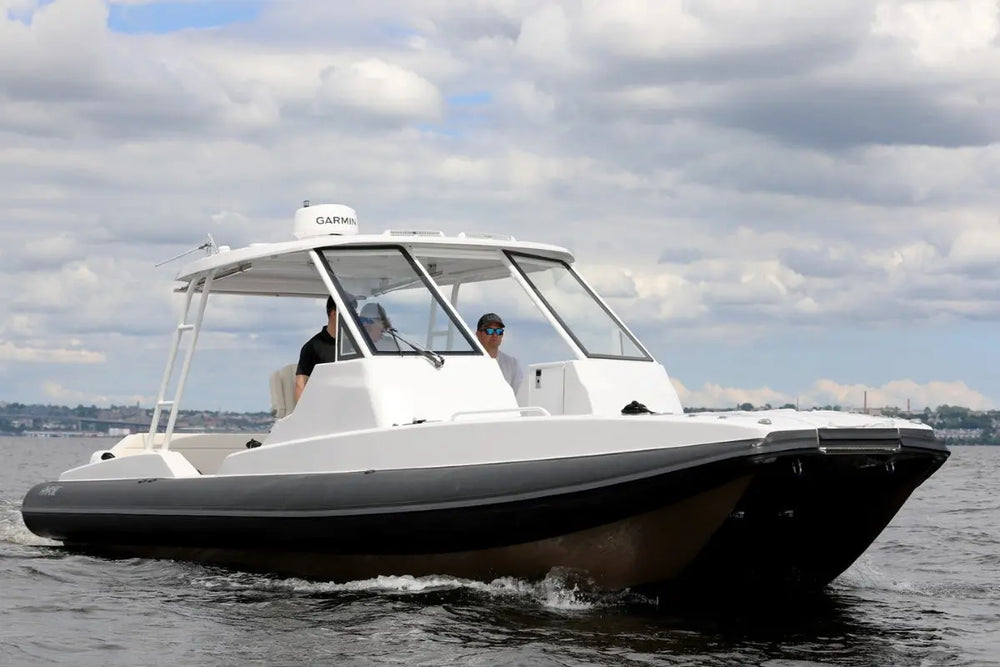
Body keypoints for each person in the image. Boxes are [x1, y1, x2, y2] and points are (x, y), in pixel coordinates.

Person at [295, 295, 346, 401]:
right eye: (349, 313)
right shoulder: (312, 347)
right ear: (334, 314)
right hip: (324, 406)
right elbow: (300, 384)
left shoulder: (352, 345)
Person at [475, 312, 523, 391]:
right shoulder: (467, 361)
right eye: (489, 331)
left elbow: (520, 394)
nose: (495, 335)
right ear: (478, 334)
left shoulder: (512, 364)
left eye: (499, 331)